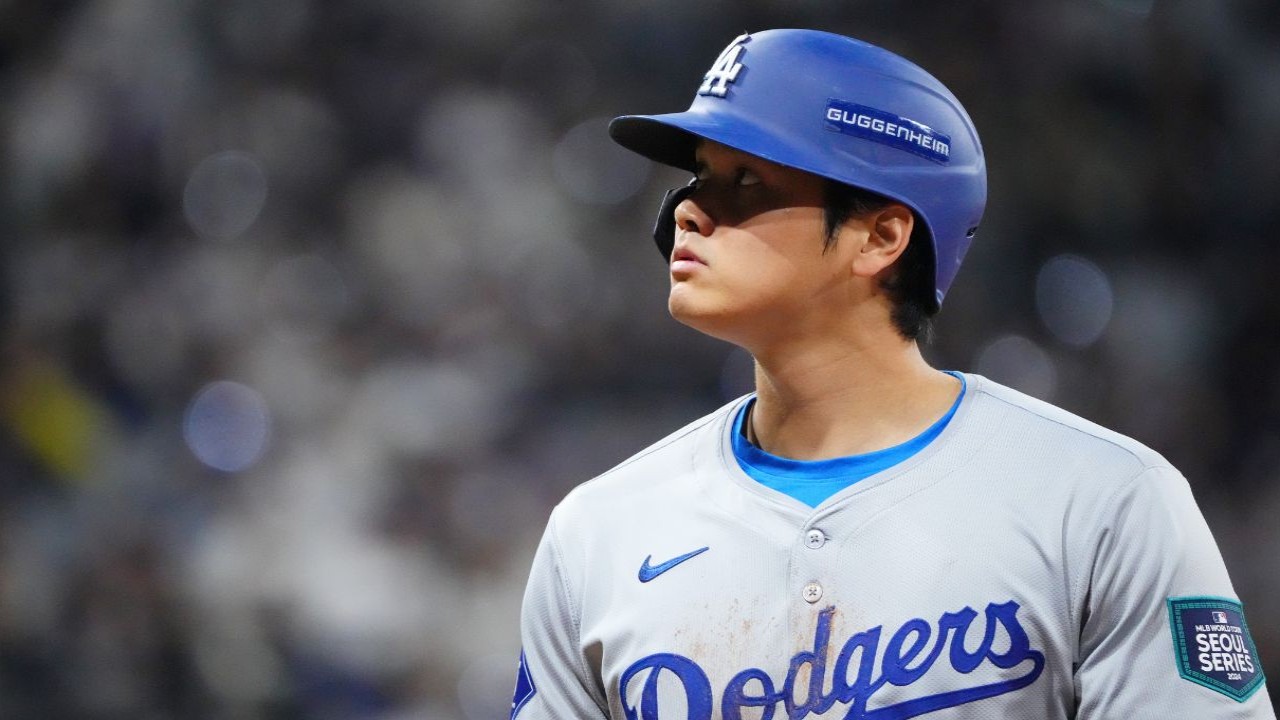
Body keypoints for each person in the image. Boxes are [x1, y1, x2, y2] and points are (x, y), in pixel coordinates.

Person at [511, 29, 1273, 719]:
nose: (687, 210)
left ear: (881, 236)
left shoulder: (1102, 504)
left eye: (745, 183)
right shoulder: (597, 534)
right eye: (700, 176)